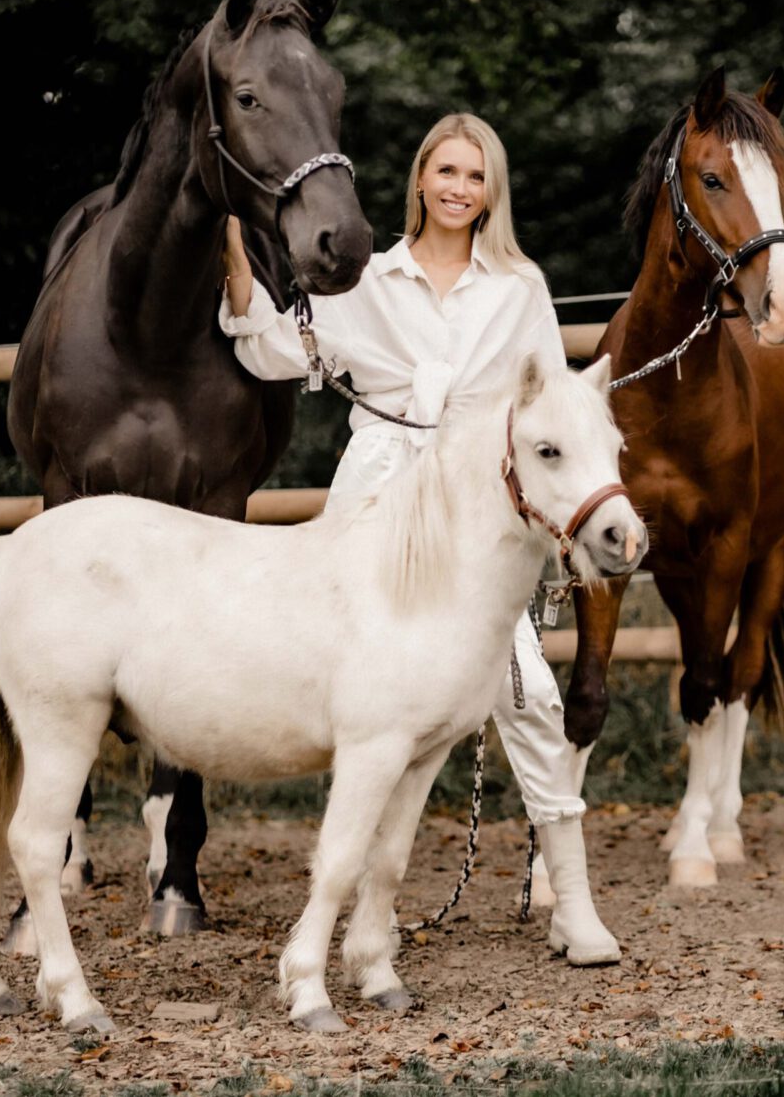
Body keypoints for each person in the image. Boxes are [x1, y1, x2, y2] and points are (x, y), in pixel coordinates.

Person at [219, 113, 619, 965]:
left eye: (475, 175)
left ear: (491, 191)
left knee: (529, 696)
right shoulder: (370, 277)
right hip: (379, 503)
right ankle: (369, 912)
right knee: (369, 705)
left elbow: (554, 404)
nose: (458, 188)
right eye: (446, 171)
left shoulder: (520, 287)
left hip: (480, 513)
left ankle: (575, 901)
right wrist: (237, 267)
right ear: (420, 180)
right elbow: (276, 352)